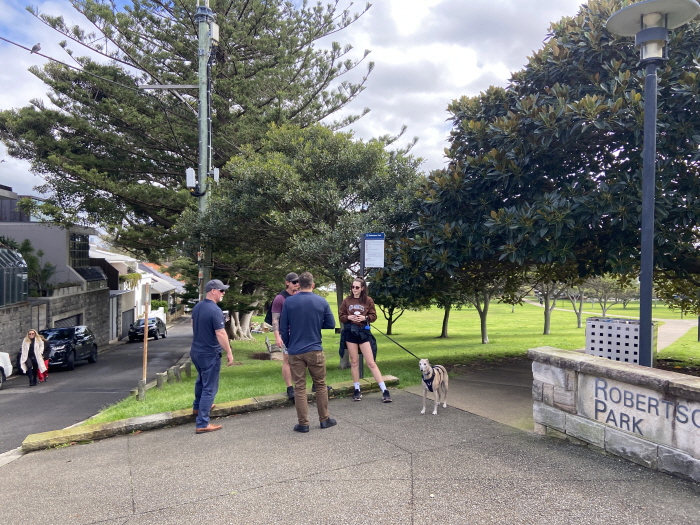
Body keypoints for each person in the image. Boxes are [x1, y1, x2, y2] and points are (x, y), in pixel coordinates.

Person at [280, 271, 336, 432]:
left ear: (298, 285)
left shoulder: (289, 302)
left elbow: (283, 328)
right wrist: (316, 323)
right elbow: (331, 324)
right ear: (313, 285)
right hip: (314, 348)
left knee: (299, 387)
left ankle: (303, 423)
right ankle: (324, 419)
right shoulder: (321, 301)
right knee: (320, 385)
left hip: (295, 350)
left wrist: (289, 345)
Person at [190, 279, 235, 434]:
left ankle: (198, 407)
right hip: (209, 353)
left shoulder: (197, 307)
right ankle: (202, 422)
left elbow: (193, 325)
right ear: (213, 291)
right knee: (210, 387)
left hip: (196, 351)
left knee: (201, 381)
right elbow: (220, 333)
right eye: (222, 290)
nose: (223, 293)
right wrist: (229, 352)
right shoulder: (215, 310)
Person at [339, 277, 392, 403]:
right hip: (350, 333)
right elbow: (341, 316)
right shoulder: (347, 300)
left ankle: (384, 390)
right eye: (352, 287)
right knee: (354, 362)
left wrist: (365, 318)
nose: (354, 289)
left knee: (371, 362)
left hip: (363, 333)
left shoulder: (368, 300)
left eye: (357, 287)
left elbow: (373, 316)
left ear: (362, 288)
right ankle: (357, 389)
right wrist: (349, 317)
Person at [270, 272, 300, 401]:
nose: (297, 284)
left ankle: (309, 385)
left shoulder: (300, 295)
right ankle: (290, 387)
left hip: (300, 333)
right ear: (287, 283)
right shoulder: (280, 298)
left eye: (298, 282)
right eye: (294, 282)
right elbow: (275, 319)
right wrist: (277, 336)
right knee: (287, 360)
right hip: (286, 334)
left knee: (305, 359)